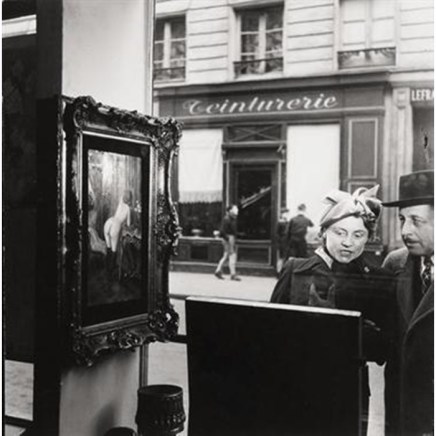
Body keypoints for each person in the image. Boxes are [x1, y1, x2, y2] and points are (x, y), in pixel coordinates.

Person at [270, 186, 394, 435]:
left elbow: (384, 347)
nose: (349, 242)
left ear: (368, 238)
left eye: (359, 235)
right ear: (324, 232)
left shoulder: (376, 279)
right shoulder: (296, 271)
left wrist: (337, 326)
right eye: (340, 232)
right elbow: (271, 334)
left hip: (349, 392)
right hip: (296, 388)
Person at [382, 169, 434, 436]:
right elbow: (382, 340)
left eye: (416, 220)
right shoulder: (394, 263)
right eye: (402, 219)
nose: (405, 231)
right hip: (402, 414)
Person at [104, 189, 133, 277]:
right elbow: (128, 224)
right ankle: (110, 271)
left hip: (110, 221)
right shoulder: (128, 209)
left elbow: (122, 197)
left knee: (108, 246)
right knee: (113, 249)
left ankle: (107, 267)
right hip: (116, 225)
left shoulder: (120, 203)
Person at [214, 204, 241, 281]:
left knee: (226, 255)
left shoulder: (231, 219)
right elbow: (222, 231)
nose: (237, 210)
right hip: (229, 238)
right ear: (230, 211)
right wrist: (228, 239)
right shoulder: (227, 219)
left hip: (229, 238)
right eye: (235, 209)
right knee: (232, 255)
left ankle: (218, 271)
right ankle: (233, 274)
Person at [276, 208, 290, 273]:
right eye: (286, 213)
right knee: (281, 258)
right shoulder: (280, 222)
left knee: (285, 258)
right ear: (282, 214)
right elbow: (277, 234)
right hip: (282, 242)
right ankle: (279, 272)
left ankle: (283, 272)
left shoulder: (288, 222)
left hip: (287, 243)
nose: (287, 215)